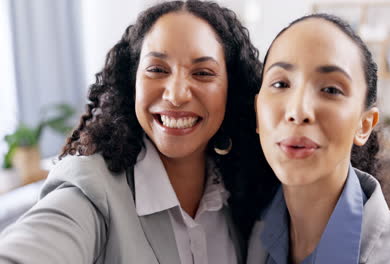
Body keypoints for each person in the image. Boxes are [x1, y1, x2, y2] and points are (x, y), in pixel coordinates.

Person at [0, 1, 267, 263]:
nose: (175, 95)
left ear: (231, 89)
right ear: (132, 82)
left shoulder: (241, 189)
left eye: (203, 73)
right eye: (157, 70)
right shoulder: (91, 190)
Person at [247, 13, 390, 264]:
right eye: (281, 84)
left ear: (364, 125)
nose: (298, 111)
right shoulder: (247, 234)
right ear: (257, 112)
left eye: (330, 89)